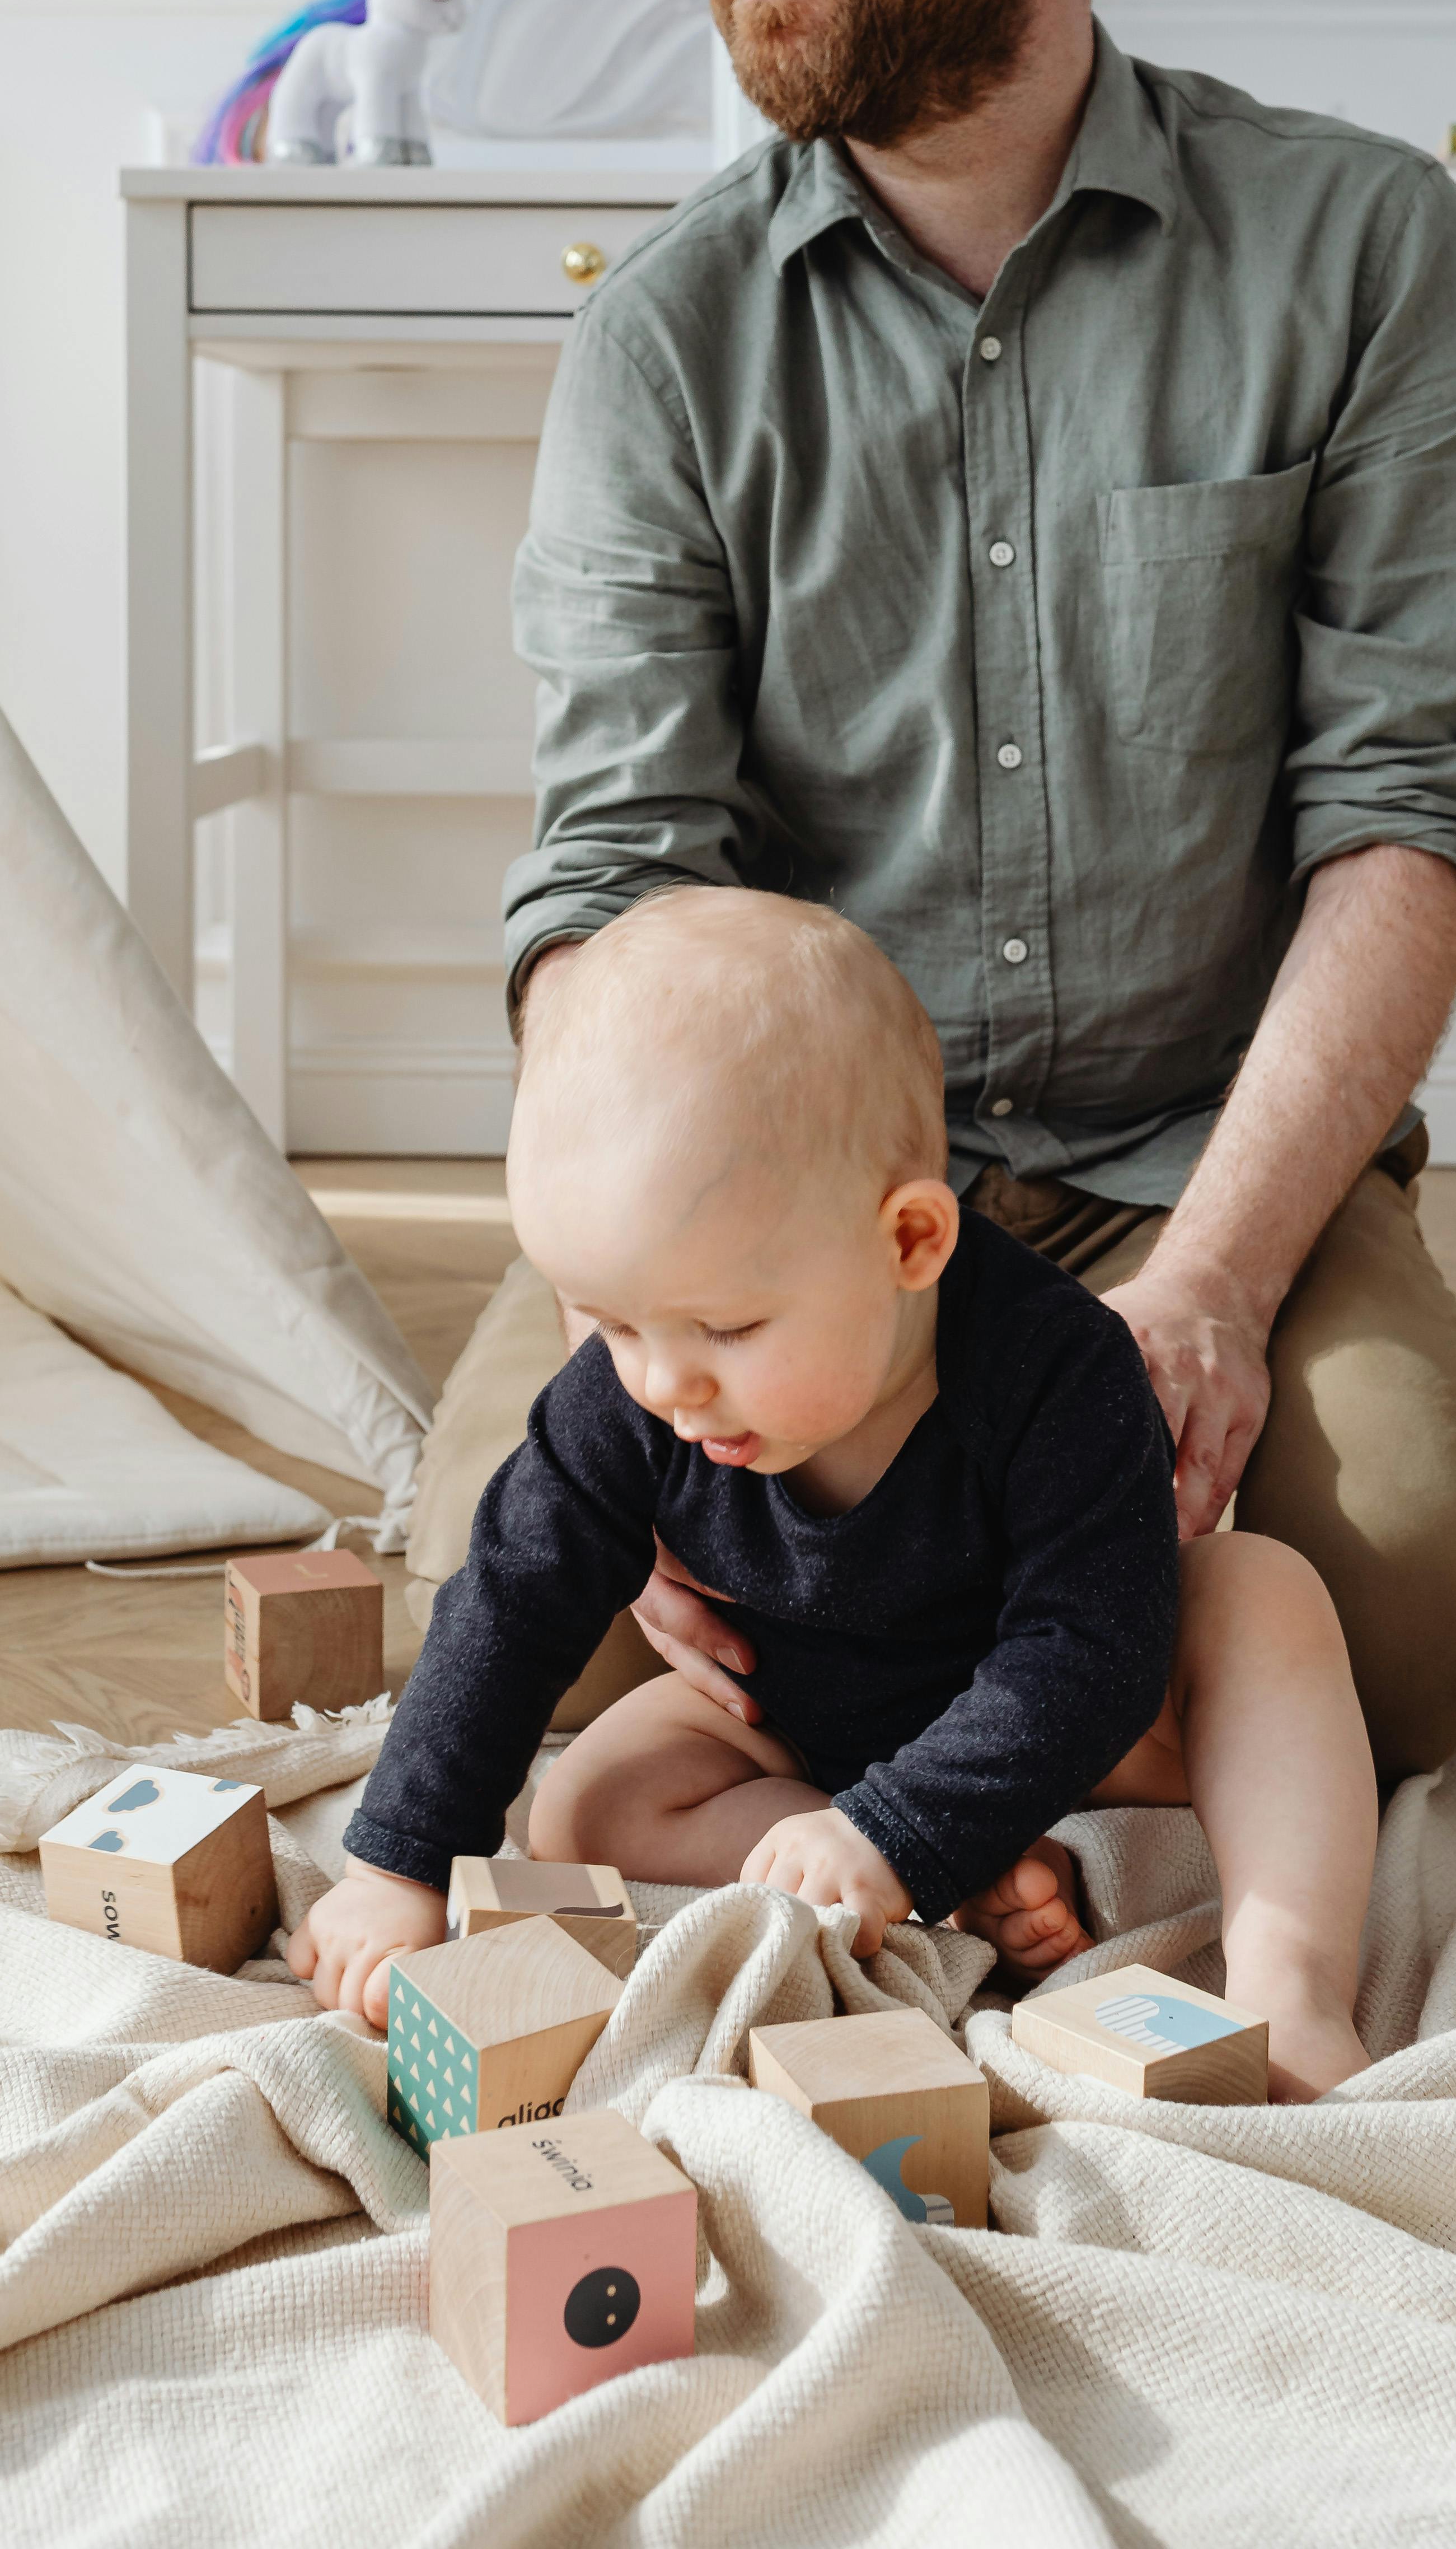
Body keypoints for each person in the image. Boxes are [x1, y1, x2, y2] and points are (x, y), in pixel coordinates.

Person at [403, 0, 1456, 1783]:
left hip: (1193, 1158)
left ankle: (982, 1647)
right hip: (777, 1187)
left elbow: (1407, 816)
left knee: (1405, 1636)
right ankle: (1033, 1669)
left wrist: (1215, 1284)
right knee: (493, 1623)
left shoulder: (1364, 249)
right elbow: (616, 865)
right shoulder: (664, 336)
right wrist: (635, 1327)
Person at [294, 891, 1380, 2100]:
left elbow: (1094, 1651)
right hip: (795, 1717)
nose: (665, 1382)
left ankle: (1290, 1982)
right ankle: (952, 1869)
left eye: (725, 1326)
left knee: (1263, 1597)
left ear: (910, 1241)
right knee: (588, 1803)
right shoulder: (636, 1388)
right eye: (611, 1323)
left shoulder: (1058, 1369)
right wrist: (401, 1862)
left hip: (1081, 1721)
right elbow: (509, 1599)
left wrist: (893, 1827)